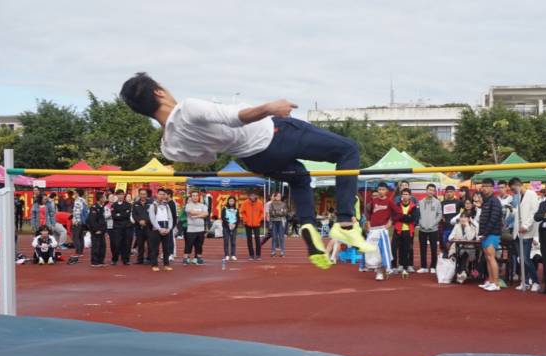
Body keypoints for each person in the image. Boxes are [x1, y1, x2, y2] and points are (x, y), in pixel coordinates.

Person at [120, 72, 373, 271]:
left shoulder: (169, 146)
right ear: (159, 91)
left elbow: (209, 156)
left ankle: (307, 224)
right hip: (274, 134)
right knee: (347, 151)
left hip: (254, 160)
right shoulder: (187, 108)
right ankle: (344, 221)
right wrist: (270, 108)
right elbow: (234, 117)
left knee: (300, 179)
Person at [509, 177, 541, 292]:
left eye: (513, 189)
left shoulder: (531, 194)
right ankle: (525, 281)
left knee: (526, 259)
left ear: (518, 185)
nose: (513, 192)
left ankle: (535, 281)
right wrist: (511, 210)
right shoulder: (519, 197)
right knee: (521, 259)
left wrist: (526, 226)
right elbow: (520, 213)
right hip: (518, 233)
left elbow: (534, 212)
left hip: (527, 232)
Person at [365, 184, 397, 280]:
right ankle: (378, 271)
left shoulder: (389, 202)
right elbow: (369, 214)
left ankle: (384, 270)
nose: (380, 191)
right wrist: (368, 224)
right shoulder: (373, 202)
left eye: (383, 189)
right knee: (374, 252)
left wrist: (391, 222)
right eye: (379, 189)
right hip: (373, 230)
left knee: (383, 251)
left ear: (386, 191)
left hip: (382, 230)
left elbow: (398, 212)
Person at [478, 178, 503, 292]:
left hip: (492, 233)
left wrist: (485, 233)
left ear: (493, 187)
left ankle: (496, 283)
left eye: (488, 186)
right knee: (488, 258)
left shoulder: (494, 201)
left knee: (491, 257)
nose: (485, 188)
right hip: (485, 233)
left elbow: (493, 219)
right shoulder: (486, 200)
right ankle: (491, 281)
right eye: (484, 186)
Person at [149, 188, 176, 271]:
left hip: (166, 227)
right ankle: (154, 265)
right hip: (156, 228)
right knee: (155, 248)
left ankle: (166, 264)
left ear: (165, 196)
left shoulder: (167, 205)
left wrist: (169, 228)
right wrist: (159, 228)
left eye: (163, 194)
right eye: (160, 194)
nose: (162, 196)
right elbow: (152, 218)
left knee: (166, 248)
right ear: (157, 195)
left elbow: (170, 218)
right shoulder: (152, 205)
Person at [392, 189, 418, 275]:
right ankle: (394, 266)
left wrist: (402, 217)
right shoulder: (397, 205)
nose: (405, 196)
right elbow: (395, 217)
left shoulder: (413, 206)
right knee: (394, 248)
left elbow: (412, 219)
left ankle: (405, 266)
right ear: (401, 196)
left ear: (410, 196)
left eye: (407, 194)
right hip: (398, 230)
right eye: (403, 194)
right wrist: (406, 217)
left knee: (406, 249)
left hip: (408, 231)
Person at [417, 184, 442, 274]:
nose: (431, 192)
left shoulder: (437, 202)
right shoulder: (420, 202)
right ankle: (423, 266)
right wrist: (421, 223)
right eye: (429, 190)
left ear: (434, 191)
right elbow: (418, 215)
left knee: (434, 248)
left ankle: (433, 266)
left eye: (432, 190)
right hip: (422, 229)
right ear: (426, 190)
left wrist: (433, 223)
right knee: (422, 248)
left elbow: (439, 214)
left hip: (433, 229)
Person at [447, 213, 478, 284]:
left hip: (469, 248)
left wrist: (467, 226)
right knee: (456, 254)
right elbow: (450, 237)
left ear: (469, 219)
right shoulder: (457, 226)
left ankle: (461, 272)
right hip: (457, 247)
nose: (463, 219)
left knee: (464, 254)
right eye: (461, 217)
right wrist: (454, 238)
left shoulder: (473, 227)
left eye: (465, 217)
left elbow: (469, 238)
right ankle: (461, 272)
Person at [184, 190, 208, 265]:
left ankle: (198, 258)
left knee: (199, 245)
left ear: (199, 197)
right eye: (193, 195)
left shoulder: (203, 205)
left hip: (201, 229)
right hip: (191, 228)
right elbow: (191, 212)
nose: (195, 197)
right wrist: (201, 213)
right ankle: (186, 258)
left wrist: (197, 215)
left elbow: (206, 214)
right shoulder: (188, 205)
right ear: (191, 197)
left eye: (196, 195)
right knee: (189, 244)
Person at [109, 189, 132, 265]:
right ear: (116, 195)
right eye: (119, 194)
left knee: (127, 244)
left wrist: (119, 214)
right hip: (117, 227)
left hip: (127, 227)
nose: (120, 196)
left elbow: (127, 215)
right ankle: (114, 259)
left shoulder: (128, 205)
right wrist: (122, 214)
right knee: (116, 244)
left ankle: (126, 259)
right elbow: (114, 216)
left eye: (122, 194)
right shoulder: (113, 205)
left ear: (124, 195)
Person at [240, 192, 264, 260]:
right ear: (249, 196)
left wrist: (259, 220)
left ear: (256, 195)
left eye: (254, 195)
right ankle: (251, 255)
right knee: (249, 239)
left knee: (257, 238)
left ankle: (258, 255)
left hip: (257, 224)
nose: (253, 196)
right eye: (251, 195)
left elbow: (262, 212)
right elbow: (242, 212)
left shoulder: (259, 203)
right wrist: (245, 220)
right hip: (248, 224)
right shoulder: (245, 202)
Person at [131, 188, 152, 264]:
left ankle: (149, 259)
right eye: (141, 194)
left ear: (147, 195)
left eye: (144, 194)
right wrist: (139, 221)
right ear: (139, 194)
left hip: (149, 227)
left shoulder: (151, 203)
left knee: (150, 244)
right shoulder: (135, 204)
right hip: (139, 227)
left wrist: (146, 221)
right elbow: (134, 214)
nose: (143, 195)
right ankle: (140, 260)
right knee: (140, 244)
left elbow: (153, 214)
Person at [87, 192, 107, 267]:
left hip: (102, 230)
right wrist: (96, 229)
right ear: (100, 198)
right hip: (96, 231)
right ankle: (94, 261)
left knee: (102, 246)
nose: (105, 198)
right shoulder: (94, 207)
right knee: (96, 246)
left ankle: (101, 261)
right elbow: (92, 220)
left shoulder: (102, 207)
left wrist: (103, 230)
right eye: (104, 197)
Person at [269, 192, 288, 257]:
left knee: (281, 237)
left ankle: (282, 251)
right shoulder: (271, 204)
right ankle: (273, 251)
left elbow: (285, 213)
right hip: (274, 221)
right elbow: (271, 213)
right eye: (277, 196)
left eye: (279, 196)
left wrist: (276, 212)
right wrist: (280, 212)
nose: (278, 197)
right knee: (274, 237)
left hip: (281, 221)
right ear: (275, 197)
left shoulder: (283, 204)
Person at [71, 188, 88, 257]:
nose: (74, 194)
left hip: (77, 221)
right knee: (81, 236)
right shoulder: (84, 200)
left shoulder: (77, 201)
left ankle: (77, 251)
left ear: (77, 193)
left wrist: (76, 221)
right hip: (83, 220)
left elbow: (77, 212)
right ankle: (81, 251)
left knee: (75, 236)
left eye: (75, 193)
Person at [221, 196, 240, 260]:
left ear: (234, 202)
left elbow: (238, 219)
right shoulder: (224, 208)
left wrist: (235, 225)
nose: (231, 202)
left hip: (234, 227)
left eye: (232, 201)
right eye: (230, 201)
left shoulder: (236, 209)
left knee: (233, 241)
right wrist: (228, 224)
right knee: (226, 241)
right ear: (228, 201)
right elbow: (223, 218)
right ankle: (226, 255)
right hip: (226, 227)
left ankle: (233, 254)